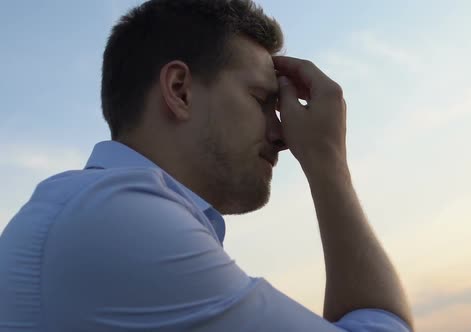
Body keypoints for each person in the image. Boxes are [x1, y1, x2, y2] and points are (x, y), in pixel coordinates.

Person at [0, 0, 413, 331]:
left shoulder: (94, 212)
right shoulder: (117, 218)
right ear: (179, 90)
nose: (283, 133)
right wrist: (329, 162)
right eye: (261, 101)